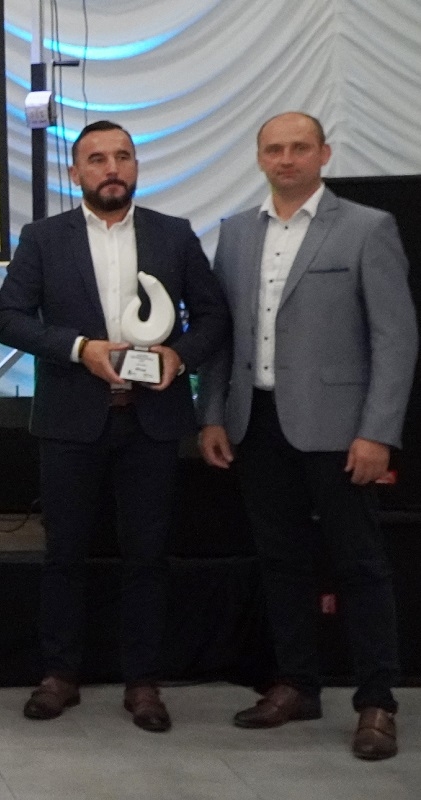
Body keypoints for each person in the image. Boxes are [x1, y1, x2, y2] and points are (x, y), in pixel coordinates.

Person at [0, 120, 229, 733]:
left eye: (122, 156)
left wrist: (180, 355)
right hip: (71, 421)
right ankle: (59, 674)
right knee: (64, 554)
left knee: (147, 556)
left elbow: (213, 317)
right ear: (76, 172)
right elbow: (9, 318)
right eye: (97, 159)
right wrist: (80, 349)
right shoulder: (43, 238)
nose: (111, 168)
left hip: (152, 422)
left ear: (135, 166)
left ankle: (144, 682)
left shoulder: (173, 235)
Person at [199, 112, 416, 761]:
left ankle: (376, 700)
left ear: (323, 153)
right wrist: (213, 413)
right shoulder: (236, 232)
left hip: (339, 429)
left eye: (299, 147)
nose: (286, 158)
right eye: (274, 148)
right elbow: (223, 333)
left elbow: (395, 338)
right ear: (259, 157)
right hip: (255, 421)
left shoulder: (367, 227)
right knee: (280, 561)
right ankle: (296, 684)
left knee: (359, 563)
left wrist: (377, 431)